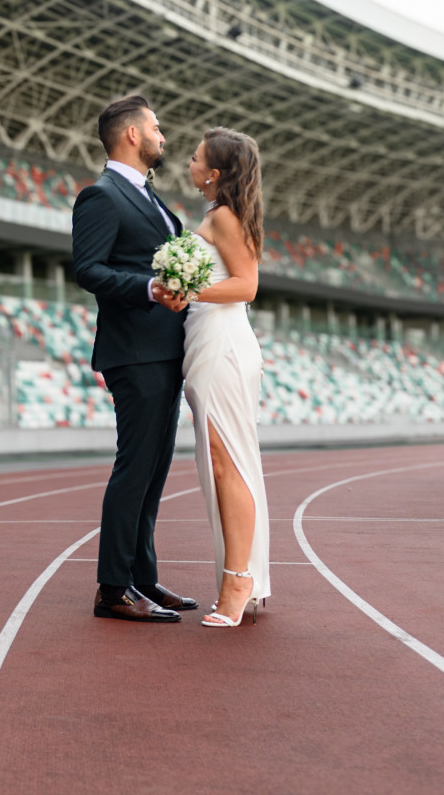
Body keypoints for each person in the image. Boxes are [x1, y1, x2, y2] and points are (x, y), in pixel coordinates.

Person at [72, 95, 197, 622]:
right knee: (135, 469)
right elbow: (89, 270)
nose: (162, 136)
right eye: (156, 127)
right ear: (130, 135)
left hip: (163, 352)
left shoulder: (150, 197)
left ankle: (141, 578)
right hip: (136, 353)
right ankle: (113, 588)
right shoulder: (100, 197)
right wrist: (149, 286)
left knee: (153, 472)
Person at [181, 128, 270, 627]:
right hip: (207, 342)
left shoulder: (224, 217)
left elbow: (246, 285)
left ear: (213, 174)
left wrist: (186, 288)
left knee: (227, 464)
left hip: (222, 344)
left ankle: (238, 582)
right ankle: (242, 574)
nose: (188, 162)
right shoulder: (217, 216)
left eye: (195, 158)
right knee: (223, 463)